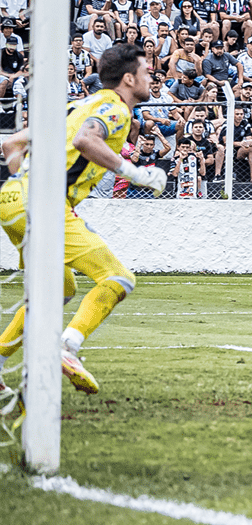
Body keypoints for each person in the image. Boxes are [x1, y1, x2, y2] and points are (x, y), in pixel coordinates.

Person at [0, 44, 167, 396]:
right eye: (146, 71)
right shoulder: (116, 109)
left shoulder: (77, 106)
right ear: (128, 78)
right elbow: (85, 139)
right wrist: (137, 174)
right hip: (44, 203)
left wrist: (23, 185)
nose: (151, 77)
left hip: (12, 199)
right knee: (118, 278)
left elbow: (12, 145)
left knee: (59, 289)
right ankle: (67, 348)